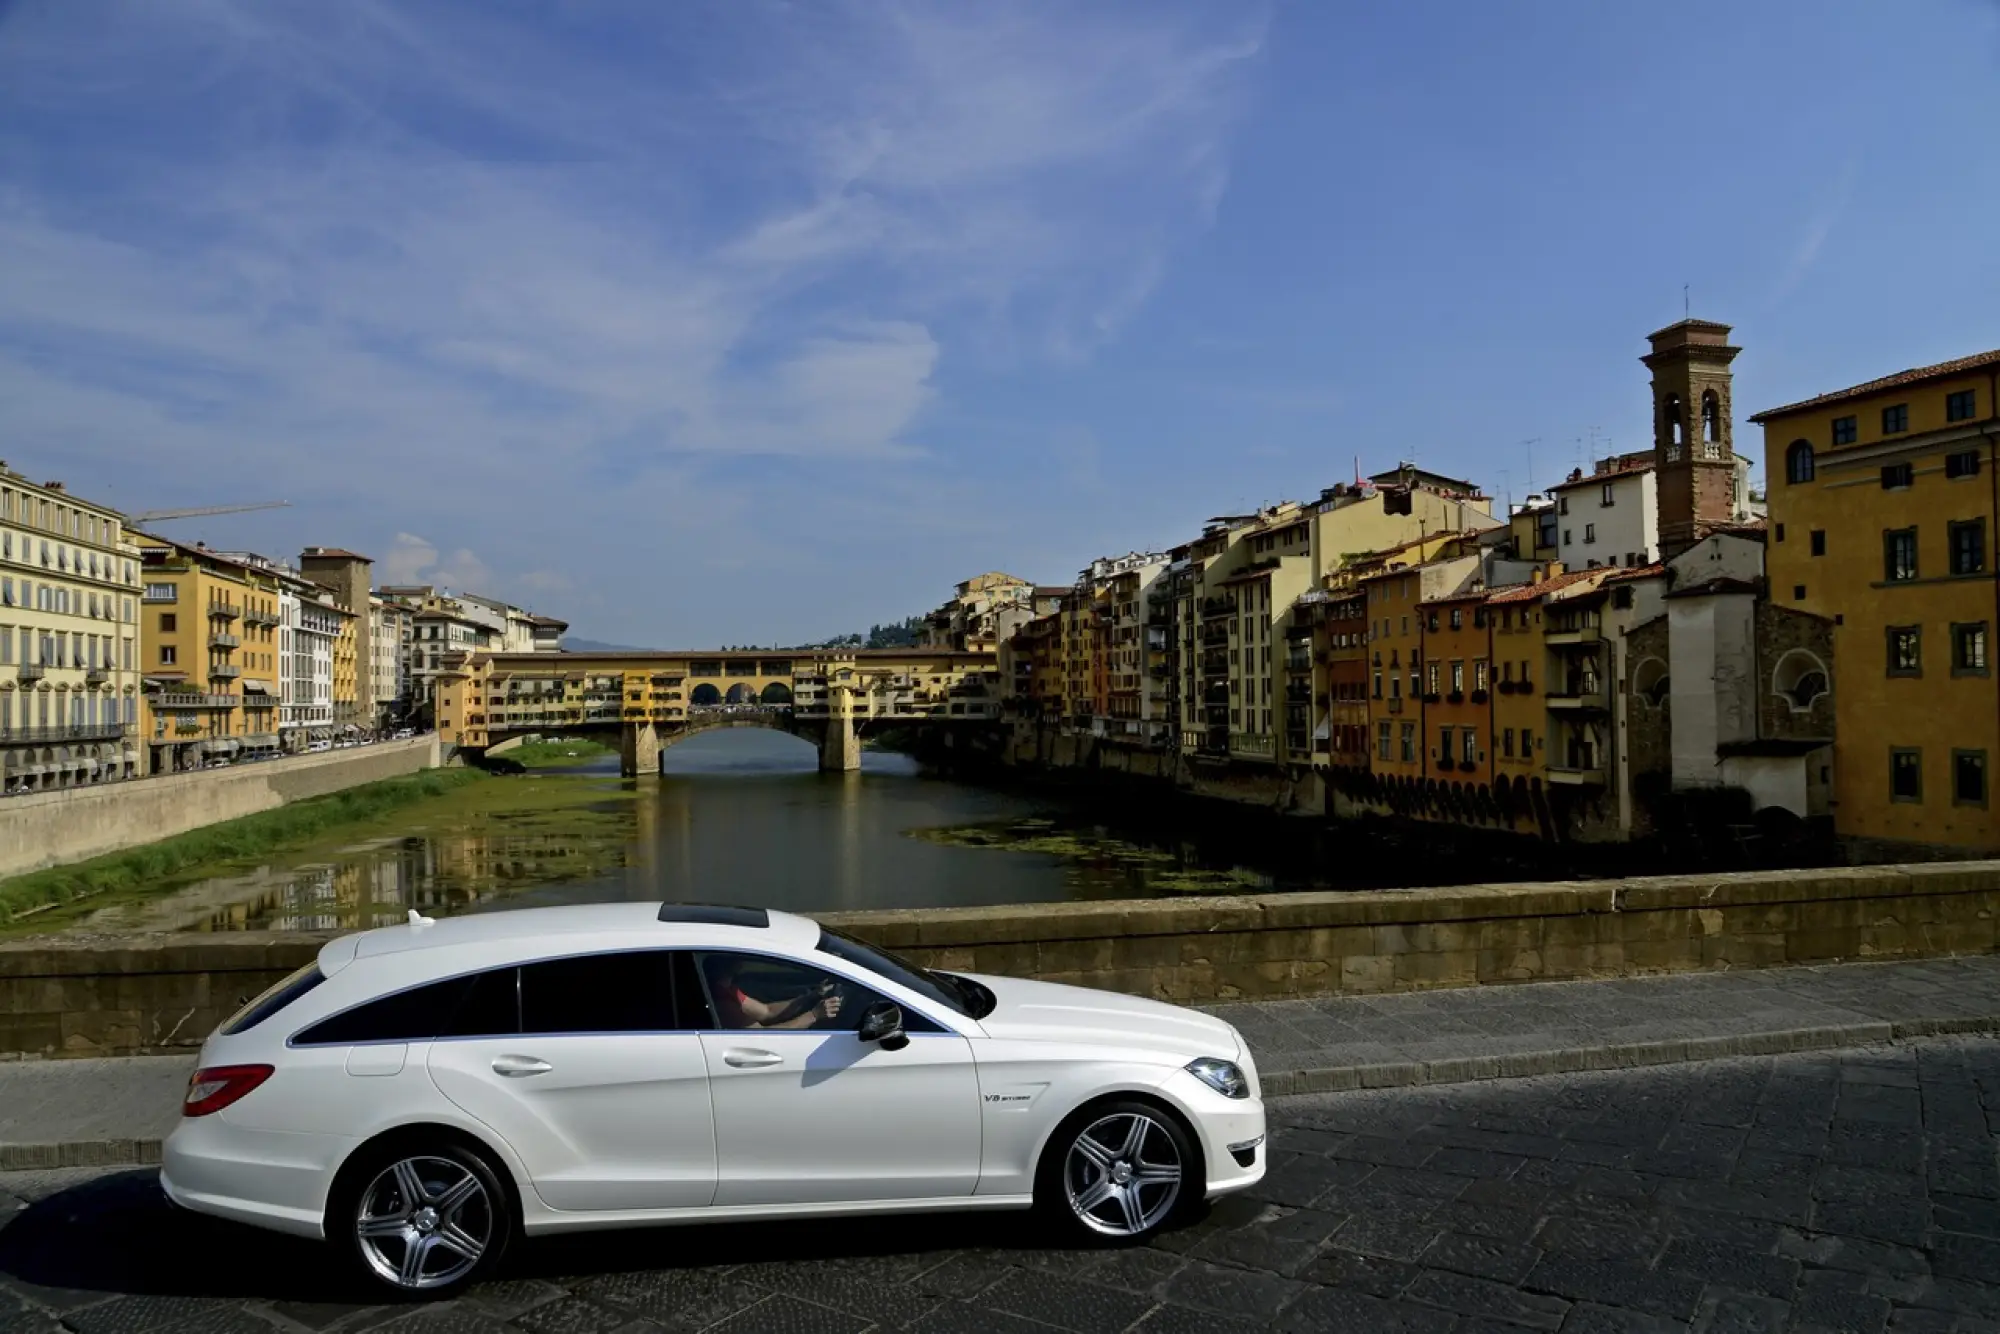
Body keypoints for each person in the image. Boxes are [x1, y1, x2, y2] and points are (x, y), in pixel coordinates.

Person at [706, 956, 844, 1031]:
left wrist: (813, 995)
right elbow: (764, 1036)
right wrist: (814, 1015)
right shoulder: (722, 1003)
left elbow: (767, 1012)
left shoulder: (727, 991)